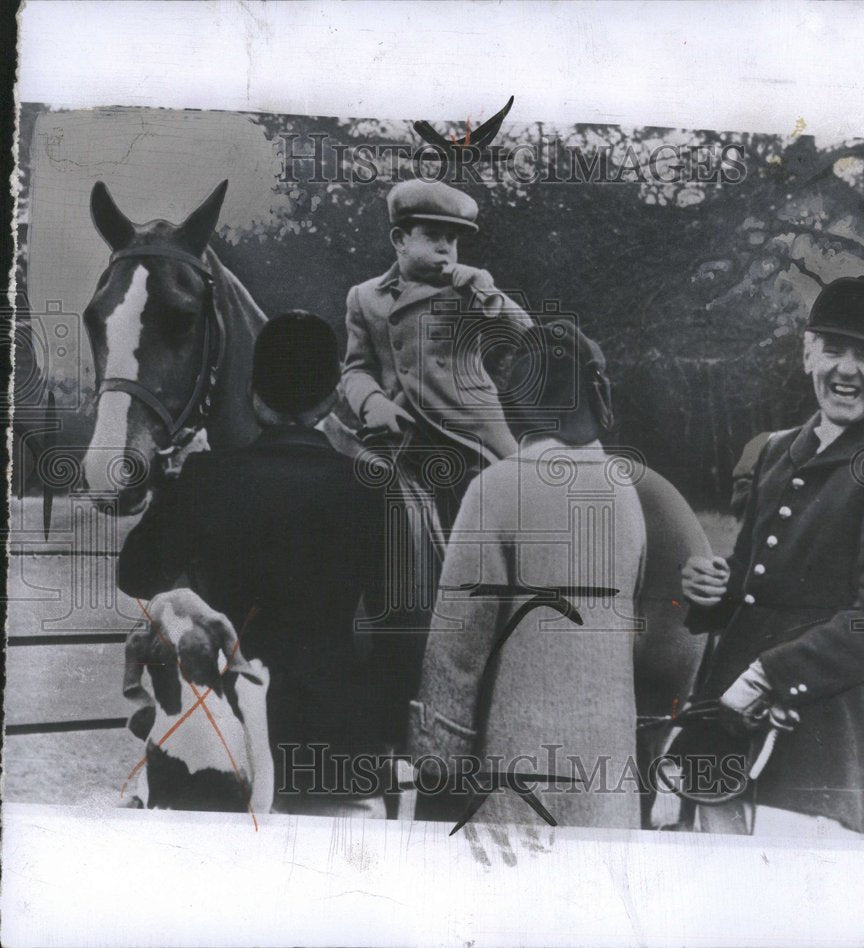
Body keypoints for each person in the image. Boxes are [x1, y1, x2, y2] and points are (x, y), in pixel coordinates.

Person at [408, 318, 707, 830]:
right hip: (607, 768)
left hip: (516, 766)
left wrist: (438, 765)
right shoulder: (623, 492)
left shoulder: (497, 489)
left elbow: (459, 645)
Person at [681, 276, 864, 838]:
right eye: (832, 349)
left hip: (826, 757)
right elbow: (758, 581)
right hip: (727, 739)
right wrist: (714, 589)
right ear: (808, 354)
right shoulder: (780, 450)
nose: (846, 369)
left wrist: (770, 676)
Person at [118, 311, 390, 817]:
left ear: (252, 394)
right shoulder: (371, 489)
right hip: (336, 746)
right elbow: (390, 629)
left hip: (222, 744)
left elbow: (134, 573)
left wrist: (175, 480)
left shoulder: (204, 478)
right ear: (332, 399)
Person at [340, 178, 533, 537]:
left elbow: (525, 334)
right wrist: (371, 402)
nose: (445, 248)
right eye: (432, 236)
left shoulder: (467, 291)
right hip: (398, 431)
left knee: (517, 509)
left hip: (468, 433)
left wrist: (486, 292)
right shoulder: (364, 297)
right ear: (400, 240)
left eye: (453, 239)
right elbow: (356, 368)